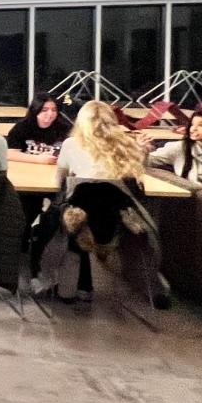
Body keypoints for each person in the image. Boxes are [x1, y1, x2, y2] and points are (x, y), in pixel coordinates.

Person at [53, 100, 146, 302]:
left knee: (69, 217)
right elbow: (136, 181)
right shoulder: (127, 144)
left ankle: (76, 287)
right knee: (84, 216)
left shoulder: (71, 145)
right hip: (117, 220)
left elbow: (59, 181)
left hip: (79, 217)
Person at [7, 95, 71, 243]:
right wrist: (38, 159)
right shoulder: (22, 127)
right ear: (35, 110)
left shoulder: (65, 128)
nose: (50, 114)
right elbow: (10, 153)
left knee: (57, 211)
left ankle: (42, 240)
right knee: (27, 208)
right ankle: (23, 238)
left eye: (54, 110)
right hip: (29, 179)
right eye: (44, 110)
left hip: (56, 179)